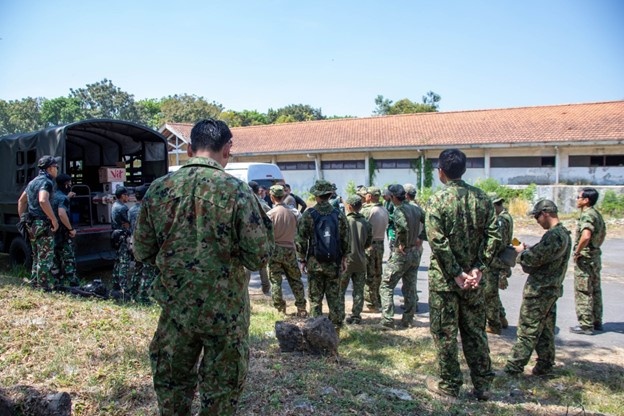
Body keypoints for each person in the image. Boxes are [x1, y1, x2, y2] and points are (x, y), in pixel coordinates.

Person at [133, 118, 273, 415]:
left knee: (172, 387)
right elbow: (257, 256)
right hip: (226, 313)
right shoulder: (238, 192)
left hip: (175, 309)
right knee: (221, 392)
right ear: (228, 149)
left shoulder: (159, 189)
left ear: (188, 149)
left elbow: (142, 251)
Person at [425, 149, 500, 401]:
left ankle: (449, 384)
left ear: (441, 172)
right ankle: (483, 386)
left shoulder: (437, 200)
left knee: (445, 334)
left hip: (446, 281)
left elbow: (437, 241)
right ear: (463, 170)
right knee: (475, 332)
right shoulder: (483, 199)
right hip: (475, 281)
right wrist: (479, 268)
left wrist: (457, 273)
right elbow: (493, 236)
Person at [503, 199, 571, 376]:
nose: (537, 221)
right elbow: (546, 255)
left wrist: (521, 252)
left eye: (537, 217)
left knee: (527, 330)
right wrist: (530, 249)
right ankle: (545, 365)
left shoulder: (553, 235)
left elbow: (532, 259)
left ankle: (513, 367)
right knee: (545, 331)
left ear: (546, 213)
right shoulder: (563, 233)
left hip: (539, 291)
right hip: (551, 289)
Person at [296, 179, 350, 332]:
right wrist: (345, 258)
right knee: (335, 299)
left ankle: (315, 330)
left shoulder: (309, 214)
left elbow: (300, 239)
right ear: (329, 195)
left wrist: (302, 259)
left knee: (315, 299)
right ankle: (336, 330)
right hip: (334, 263)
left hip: (315, 263)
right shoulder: (339, 215)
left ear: (316, 196)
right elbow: (346, 239)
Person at [378, 184, 423, 329]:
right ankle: (408, 319)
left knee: (386, 285)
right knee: (410, 286)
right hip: (415, 253)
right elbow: (429, 221)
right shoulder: (415, 208)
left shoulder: (399, 211)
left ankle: (387, 320)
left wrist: (402, 243)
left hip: (402, 253)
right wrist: (420, 237)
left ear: (392, 197)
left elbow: (402, 227)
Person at [17, 155, 61, 290]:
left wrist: (22, 219)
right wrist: (53, 219)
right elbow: (43, 200)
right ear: (49, 168)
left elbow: (21, 201)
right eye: (56, 167)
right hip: (43, 223)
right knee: (46, 256)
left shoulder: (32, 182)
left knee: (36, 255)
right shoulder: (47, 182)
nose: (57, 170)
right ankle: (43, 286)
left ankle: (35, 282)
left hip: (31, 224)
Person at [266, 184, 308, 317]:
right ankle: (301, 307)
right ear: (284, 196)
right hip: (290, 249)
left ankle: (280, 309)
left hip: (274, 251)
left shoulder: (269, 215)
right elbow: (301, 233)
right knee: (295, 279)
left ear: (272, 197)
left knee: (275, 280)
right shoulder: (295, 213)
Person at [570, 187, 606, 335]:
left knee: (583, 290)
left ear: (586, 200)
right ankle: (597, 321)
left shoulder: (587, 215)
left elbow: (586, 236)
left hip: (585, 258)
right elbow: (602, 235)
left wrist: (578, 251)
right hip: (595, 256)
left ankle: (585, 325)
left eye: (579, 197)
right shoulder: (597, 214)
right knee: (595, 289)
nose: (577, 200)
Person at [484, 194, 514, 334]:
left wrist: (487, 254)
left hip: (495, 260)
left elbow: (498, 242)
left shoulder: (501, 220)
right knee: (493, 292)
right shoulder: (507, 217)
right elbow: (511, 239)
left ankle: (494, 325)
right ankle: (501, 317)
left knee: (489, 294)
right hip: (501, 259)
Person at [340, 195, 372, 324]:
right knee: (358, 291)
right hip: (360, 260)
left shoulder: (345, 221)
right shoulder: (366, 223)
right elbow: (368, 242)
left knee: (340, 290)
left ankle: (340, 314)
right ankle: (356, 315)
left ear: (349, 206)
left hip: (346, 261)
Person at [361, 186, 389, 312]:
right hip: (380, 243)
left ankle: (371, 303)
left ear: (370, 196)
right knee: (378, 273)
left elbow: (360, 225)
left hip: (369, 245)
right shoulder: (384, 209)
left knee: (369, 274)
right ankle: (377, 299)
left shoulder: (368, 210)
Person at [129, 184, 155, 303]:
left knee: (137, 269)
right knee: (147, 271)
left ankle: (133, 293)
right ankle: (144, 297)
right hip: (145, 244)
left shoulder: (131, 210)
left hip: (133, 242)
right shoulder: (146, 209)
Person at [51, 173, 79, 287]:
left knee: (55, 258)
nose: (71, 185)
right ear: (66, 184)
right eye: (70, 183)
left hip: (53, 232)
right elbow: (61, 213)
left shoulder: (53, 196)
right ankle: (73, 283)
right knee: (69, 258)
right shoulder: (63, 198)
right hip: (63, 232)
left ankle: (57, 282)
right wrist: (70, 229)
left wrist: (68, 197)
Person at [247, 180, 272, 295]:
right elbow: (271, 216)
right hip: (261, 237)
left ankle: (245, 289)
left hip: (247, 237)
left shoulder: (245, 202)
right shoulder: (262, 203)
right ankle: (266, 288)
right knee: (262, 264)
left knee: (246, 265)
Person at [111, 186, 132, 293]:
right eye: (126, 195)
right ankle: (123, 286)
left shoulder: (114, 205)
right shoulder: (123, 208)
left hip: (116, 235)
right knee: (124, 262)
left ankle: (115, 283)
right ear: (122, 195)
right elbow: (128, 223)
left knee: (117, 261)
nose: (128, 197)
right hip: (123, 236)